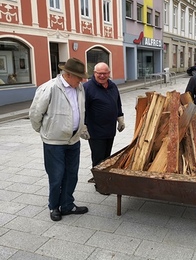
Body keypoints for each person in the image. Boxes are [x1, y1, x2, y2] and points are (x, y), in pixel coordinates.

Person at [29, 58, 89, 222]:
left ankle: (67, 205)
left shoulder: (79, 88)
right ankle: (54, 206)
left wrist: (81, 128)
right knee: (56, 176)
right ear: (68, 75)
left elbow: (79, 110)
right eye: (79, 77)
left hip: (73, 140)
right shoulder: (50, 88)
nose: (81, 80)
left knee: (72, 174)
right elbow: (35, 114)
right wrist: (45, 132)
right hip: (54, 142)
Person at [83, 62, 125, 183]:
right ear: (94, 73)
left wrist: (120, 117)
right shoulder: (88, 88)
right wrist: (83, 126)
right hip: (95, 130)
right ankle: (100, 183)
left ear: (109, 73)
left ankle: (102, 176)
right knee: (98, 157)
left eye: (104, 73)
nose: (102, 76)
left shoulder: (112, 86)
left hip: (109, 129)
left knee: (107, 157)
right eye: (99, 73)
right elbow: (82, 108)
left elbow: (117, 103)